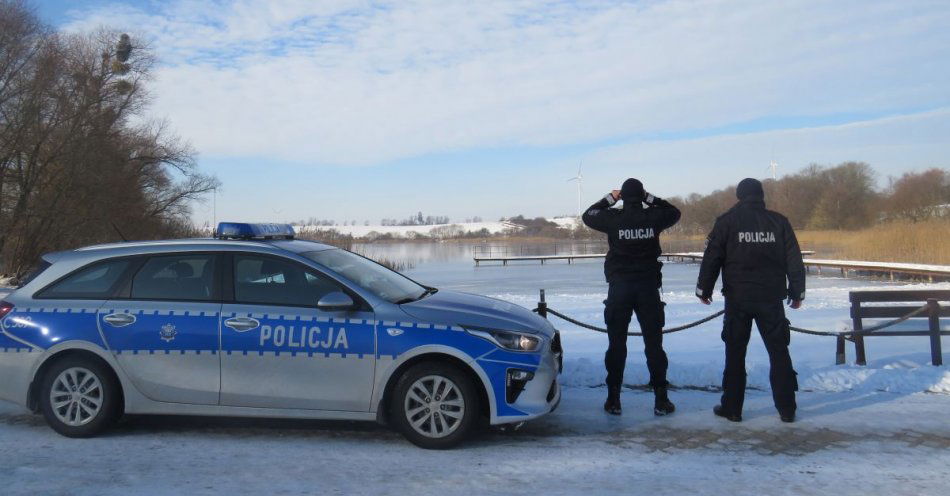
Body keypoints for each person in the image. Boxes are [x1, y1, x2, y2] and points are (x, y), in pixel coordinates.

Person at [695, 178, 806, 423]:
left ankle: (732, 408)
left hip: (738, 299)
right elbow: (794, 260)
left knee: (735, 353)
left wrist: (704, 288)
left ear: (739, 196)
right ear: (761, 195)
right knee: (779, 352)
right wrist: (797, 292)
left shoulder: (727, 222)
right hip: (771, 298)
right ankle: (787, 409)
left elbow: (712, 257)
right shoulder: (779, 221)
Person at [582, 178, 681, 416]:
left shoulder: (613, 219)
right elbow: (674, 212)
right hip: (647, 288)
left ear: (623, 197)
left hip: (620, 288)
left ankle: (613, 400)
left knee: (616, 345)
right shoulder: (654, 217)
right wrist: (649, 198)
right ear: (641, 195)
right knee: (654, 346)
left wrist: (610, 198)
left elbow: (588, 215)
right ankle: (661, 399)